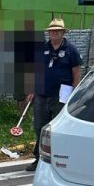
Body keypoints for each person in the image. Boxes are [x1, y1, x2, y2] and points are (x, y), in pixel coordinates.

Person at [26, 18, 82, 172]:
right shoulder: (43, 48)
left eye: (57, 30)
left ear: (63, 32)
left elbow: (76, 71)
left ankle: (58, 158)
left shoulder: (71, 49)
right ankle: (39, 159)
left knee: (57, 126)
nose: (54, 33)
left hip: (62, 94)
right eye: (51, 31)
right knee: (39, 126)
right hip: (42, 92)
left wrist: (75, 91)